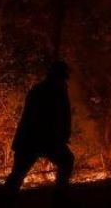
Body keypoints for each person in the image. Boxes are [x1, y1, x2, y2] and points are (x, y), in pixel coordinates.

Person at [5, 61, 74, 195]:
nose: (65, 79)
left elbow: (62, 116)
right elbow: (50, 117)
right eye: (63, 75)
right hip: (36, 139)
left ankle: (5, 202)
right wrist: (59, 136)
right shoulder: (52, 90)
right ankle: (60, 197)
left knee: (18, 173)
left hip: (33, 139)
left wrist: (62, 135)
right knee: (66, 160)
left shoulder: (44, 89)